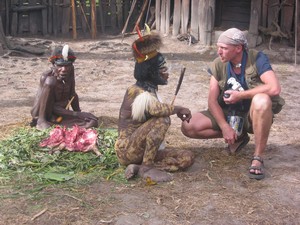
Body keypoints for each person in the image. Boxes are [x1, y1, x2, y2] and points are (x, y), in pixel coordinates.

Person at [181, 28, 285, 180]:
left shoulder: (257, 59)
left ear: (238, 48)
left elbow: (274, 88)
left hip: (252, 116)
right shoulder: (218, 64)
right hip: (228, 114)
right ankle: (238, 136)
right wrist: (224, 127)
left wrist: (241, 95)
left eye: (223, 48)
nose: (219, 52)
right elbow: (212, 100)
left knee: (262, 100)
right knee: (188, 126)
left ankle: (258, 157)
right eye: (218, 47)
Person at [114, 30, 195, 183]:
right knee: (163, 119)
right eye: (163, 69)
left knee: (186, 157)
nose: (167, 74)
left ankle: (138, 168)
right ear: (151, 71)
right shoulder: (136, 91)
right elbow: (157, 110)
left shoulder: (151, 91)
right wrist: (178, 109)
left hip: (142, 151)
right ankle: (147, 167)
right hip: (127, 150)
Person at [30, 45, 98, 130]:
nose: (64, 69)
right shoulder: (47, 78)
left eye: (67, 65)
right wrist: (76, 115)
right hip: (47, 113)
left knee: (92, 122)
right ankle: (41, 122)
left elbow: (72, 94)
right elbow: (45, 105)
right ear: (53, 65)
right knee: (50, 82)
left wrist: (79, 113)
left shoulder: (70, 71)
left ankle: (58, 124)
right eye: (60, 65)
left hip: (62, 113)